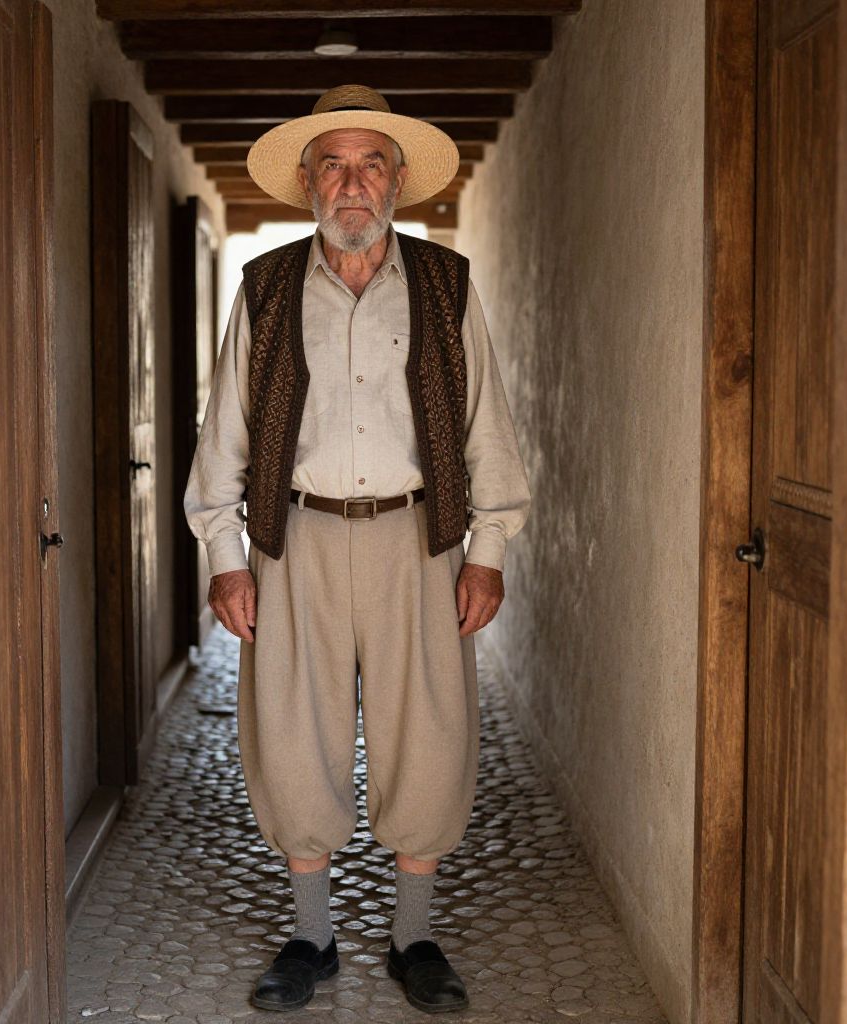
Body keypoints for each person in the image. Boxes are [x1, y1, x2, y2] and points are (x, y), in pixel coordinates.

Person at [183, 83, 531, 1015]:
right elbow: (224, 435)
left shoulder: (446, 286)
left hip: (422, 543)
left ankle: (414, 936)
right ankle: (311, 936)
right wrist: (224, 554)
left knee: (432, 735)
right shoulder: (262, 291)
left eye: (370, 163)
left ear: (398, 180)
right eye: (332, 164)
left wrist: (488, 546)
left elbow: (487, 430)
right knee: (293, 735)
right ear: (306, 182)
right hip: (291, 541)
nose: (351, 183)